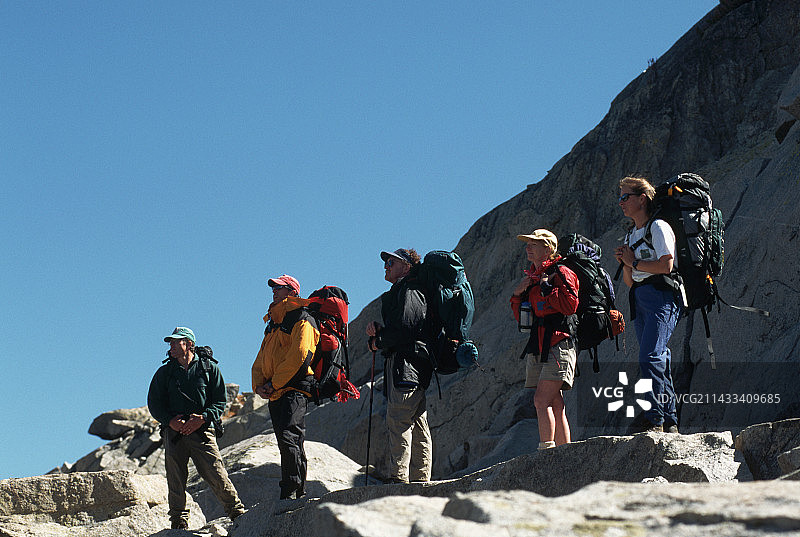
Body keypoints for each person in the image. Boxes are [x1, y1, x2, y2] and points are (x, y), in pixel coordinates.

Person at [147, 327, 246, 530]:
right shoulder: (164, 372)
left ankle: (237, 512)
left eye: (176, 342)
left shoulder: (209, 368)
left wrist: (203, 418)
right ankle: (178, 521)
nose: (171, 346)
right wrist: (170, 421)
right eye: (171, 343)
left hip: (202, 431)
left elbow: (220, 401)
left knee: (216, 473)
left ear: (189, 344)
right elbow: (154, 403)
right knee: (175, 478)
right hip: (174, 433)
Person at [614, 176, 681, 433]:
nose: (621, 202)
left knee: (649, 356)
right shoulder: (631, 234)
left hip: (662, 296)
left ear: (642, 198)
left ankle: (654, 418)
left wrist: (634, 262)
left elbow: (666, 265)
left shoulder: (659, 227)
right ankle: (669, 420)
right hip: (640, 297)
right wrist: (626, 263)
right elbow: (631, 282)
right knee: (659, 357)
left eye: (625, 197)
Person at [366, 248, 433, 483]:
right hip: (415, 364)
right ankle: (420, 479)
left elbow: (407, 329)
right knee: (417, 421)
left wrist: (379, 342)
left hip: (406, 365)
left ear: (406, 266)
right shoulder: (407, 290)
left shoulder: (409, 290)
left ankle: (399, 479)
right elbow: (408, 326)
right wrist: (380, 330)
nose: (386, 266)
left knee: (398, 420)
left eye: (391, 262)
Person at [251, 274, 319, 499]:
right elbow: (262, 357)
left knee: (290, 438)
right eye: (274, 288)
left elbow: (300, 356)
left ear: (292, 292)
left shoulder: (303, 318)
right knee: (285, 440)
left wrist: (274, 383)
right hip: (277, 391)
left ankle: (292, 490)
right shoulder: (274, 323)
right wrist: (259, 384)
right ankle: (294, 489)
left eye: (279, 288)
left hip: (294, 389)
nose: (274, 291)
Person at [510, 229, 579, 449]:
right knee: (555, 403)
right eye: (527, 243)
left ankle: (546, 453)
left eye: (534, 243)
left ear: (548, 248)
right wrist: (517, 295)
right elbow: (523, 318)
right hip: (540, 346)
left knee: (541, 401)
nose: (528, 247)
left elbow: (571, 306)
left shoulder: (561, 272)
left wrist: (548, 288)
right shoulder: (533, 277)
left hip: (559, 345)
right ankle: (564, 453)